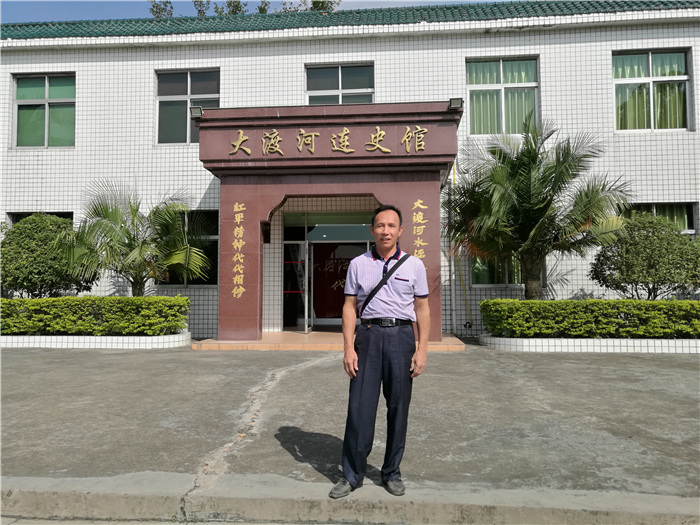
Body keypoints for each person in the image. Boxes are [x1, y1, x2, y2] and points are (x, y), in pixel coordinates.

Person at [329, 204, 430, 499]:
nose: (386, 231)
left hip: (401, 338)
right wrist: (348, 348)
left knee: (398, 408)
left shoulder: (414, 265)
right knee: (359, 408)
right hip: (368, 337)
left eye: (391, 225)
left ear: (400, 231)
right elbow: (349, 307)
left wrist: (422, 349)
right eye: (380, 225)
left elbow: (422, 309)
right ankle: (352, 475)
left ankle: (391, 472)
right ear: (372, 230)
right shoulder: (358, 264)